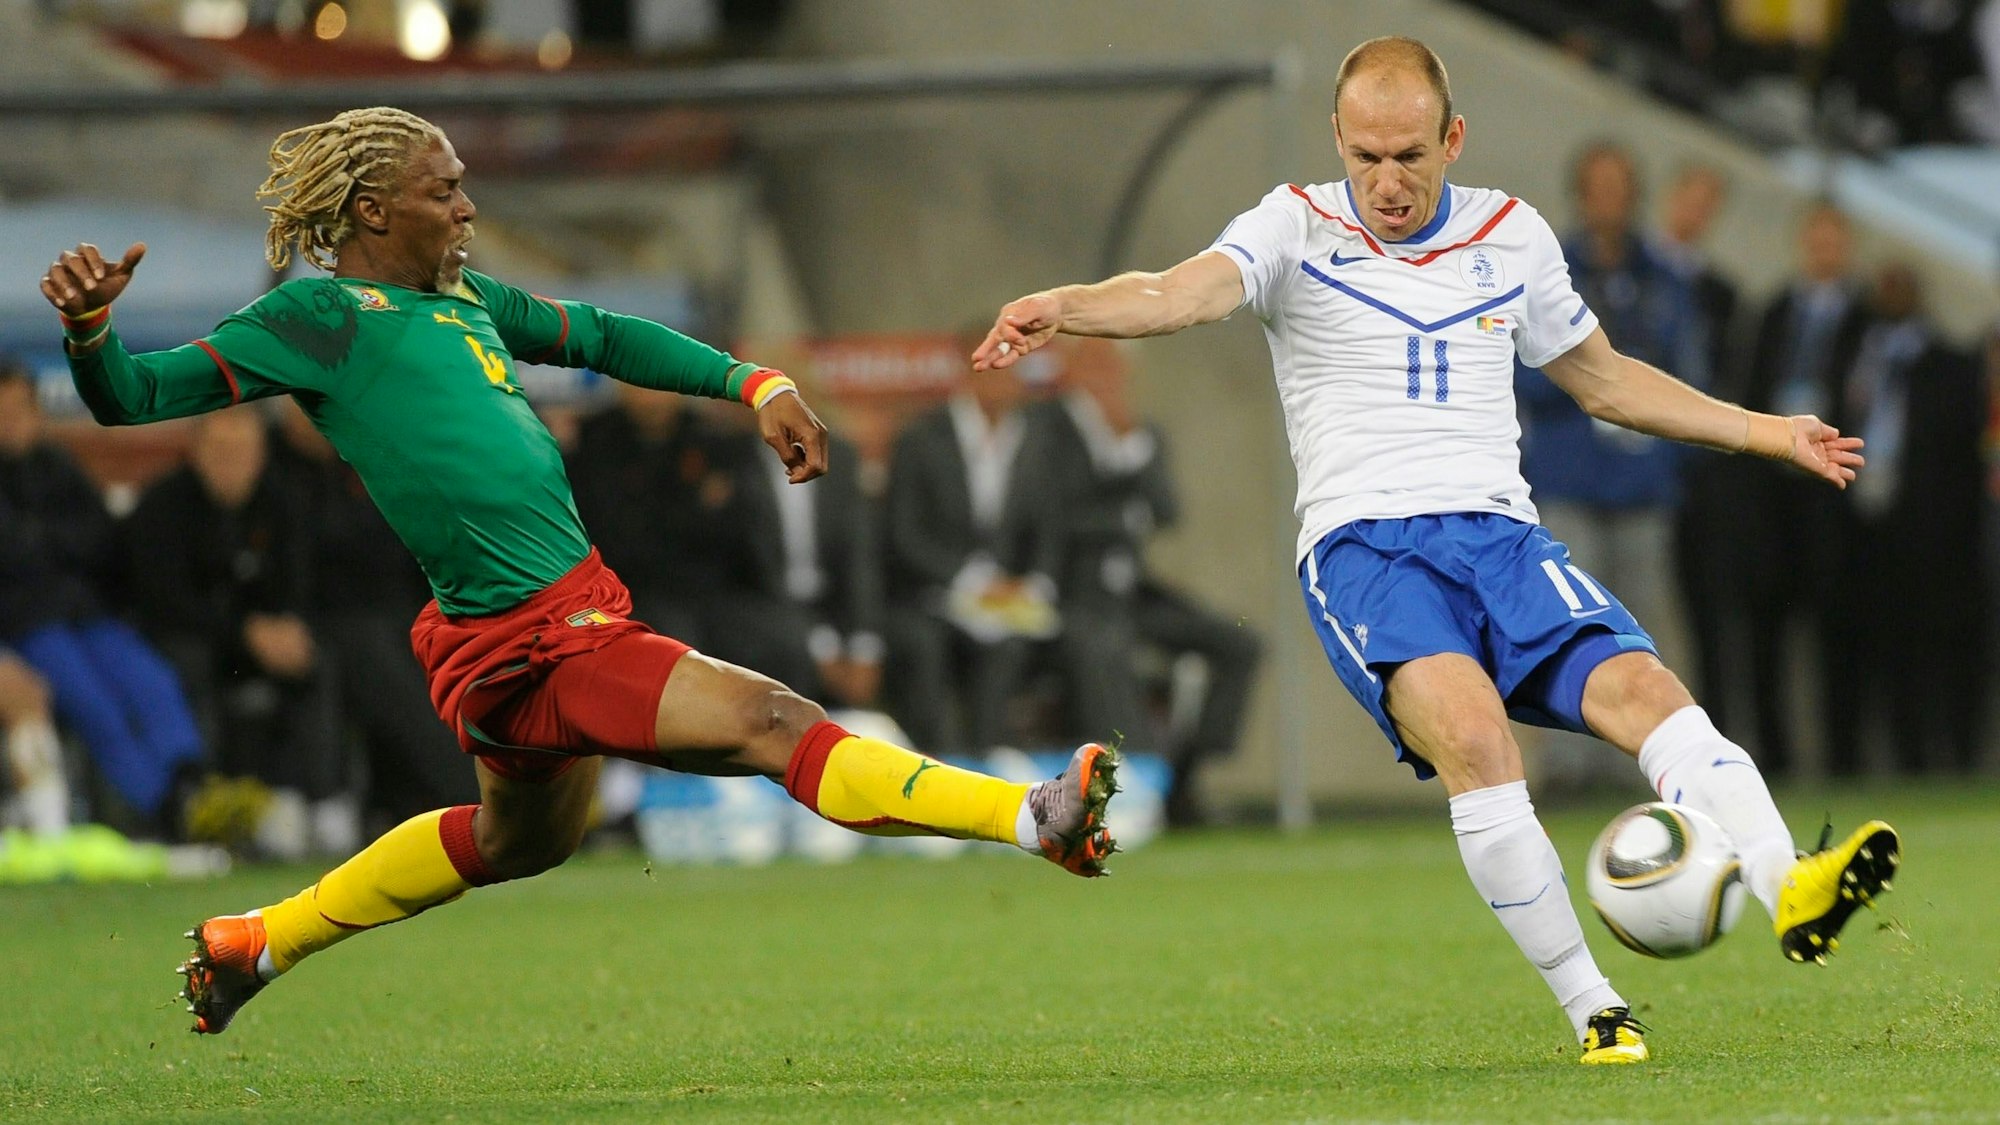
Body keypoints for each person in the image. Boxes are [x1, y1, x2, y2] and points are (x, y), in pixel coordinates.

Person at [39, 106, 1117, 1037]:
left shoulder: (469, 305)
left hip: (526, 632)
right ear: (373, 211)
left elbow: (601, 335)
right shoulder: (318, 317)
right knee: (772, 719)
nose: (466, 209)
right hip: (538, 635)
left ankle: (254, 941)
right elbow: (131, 400)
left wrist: (756, 384)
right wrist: (91, 333)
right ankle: (1031, 817)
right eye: (444, 190)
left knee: (517, 842)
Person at [976, 37, 1898, 1064]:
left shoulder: (1512, 235)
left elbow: (1603, 381)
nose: (1387, 180)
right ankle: (1594, 1009)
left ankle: (1786, 883)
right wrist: (1067, 306)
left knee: (1645, 691)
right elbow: (1180, 292)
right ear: (1336, 139)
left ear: (1451, 139)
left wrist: (1768, 431)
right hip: (1367, 550)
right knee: (1474, 737)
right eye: (1365, 155)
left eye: (1409, 155)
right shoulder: (1291, 225)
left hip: (1500, 536)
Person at [1044, 338, 1261, 825]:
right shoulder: (1047, 428)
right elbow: (1057, 515)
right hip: (1073, 591)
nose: (1107, 375)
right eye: (1095, 362)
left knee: (1240, 645)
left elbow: (1165, 511)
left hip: (1133, 591)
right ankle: (1130, 791)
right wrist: (1122, 504)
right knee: (1106, 648)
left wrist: (1128, 448)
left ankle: (1183, 776)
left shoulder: (1142, 432)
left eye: (1115, 365)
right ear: (1072, 368)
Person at [123, 406, 352, 855]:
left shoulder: (281, 504)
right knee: (186, 663)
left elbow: (301, 584)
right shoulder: (162, 508)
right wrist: (245, 632)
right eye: (221, 449)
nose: (233, 462)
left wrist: (287, 628)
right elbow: (166, 603)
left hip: (260, 643)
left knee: (316, 658)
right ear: (196, 450)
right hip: (195, 642)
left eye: (244, 450)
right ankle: (203, 805)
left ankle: (318, 800)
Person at [0, 362, 209, 835]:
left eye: (19, 408)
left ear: (37, 412)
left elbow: (100, 540)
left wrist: (39, 543)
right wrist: (50, 545)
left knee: (152, 680)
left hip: (85, 614)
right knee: (96, 707)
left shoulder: (58, 465)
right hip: (27, 625)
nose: (11, 421)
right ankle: (159, 807)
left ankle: (189, 781)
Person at [1822, 262, 1987, 775]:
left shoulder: (1950, 364)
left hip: (1927, 534)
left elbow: (1961, 459)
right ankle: (1861, 762)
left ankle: (1945, 759)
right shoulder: (1852, 357)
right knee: (1859, 652)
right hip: (1856, 531)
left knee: (1934, 650)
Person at [882, 340, 1068, 753]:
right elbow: (903, 535)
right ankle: (938, 767)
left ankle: (987, 768)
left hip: (1006, 605)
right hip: (928, 596)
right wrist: (973, 582)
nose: (1011, 383)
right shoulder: (921, 438)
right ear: (971, 372)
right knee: (923, 648)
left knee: (1013, 648)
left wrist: (1033, 583)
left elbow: (1048, 528)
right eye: (1001, 369)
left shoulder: (1038, 441)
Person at [1736, 203, 1869, 776]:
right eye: (1814, 237)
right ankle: (1776, 759)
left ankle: (1846, 759)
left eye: (1832, 238)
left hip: (1837, 494)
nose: (1822, 248)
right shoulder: (1774, 312)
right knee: (1765, 632)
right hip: (1775, 496)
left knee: (1841, 632)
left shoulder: (1868, 321)